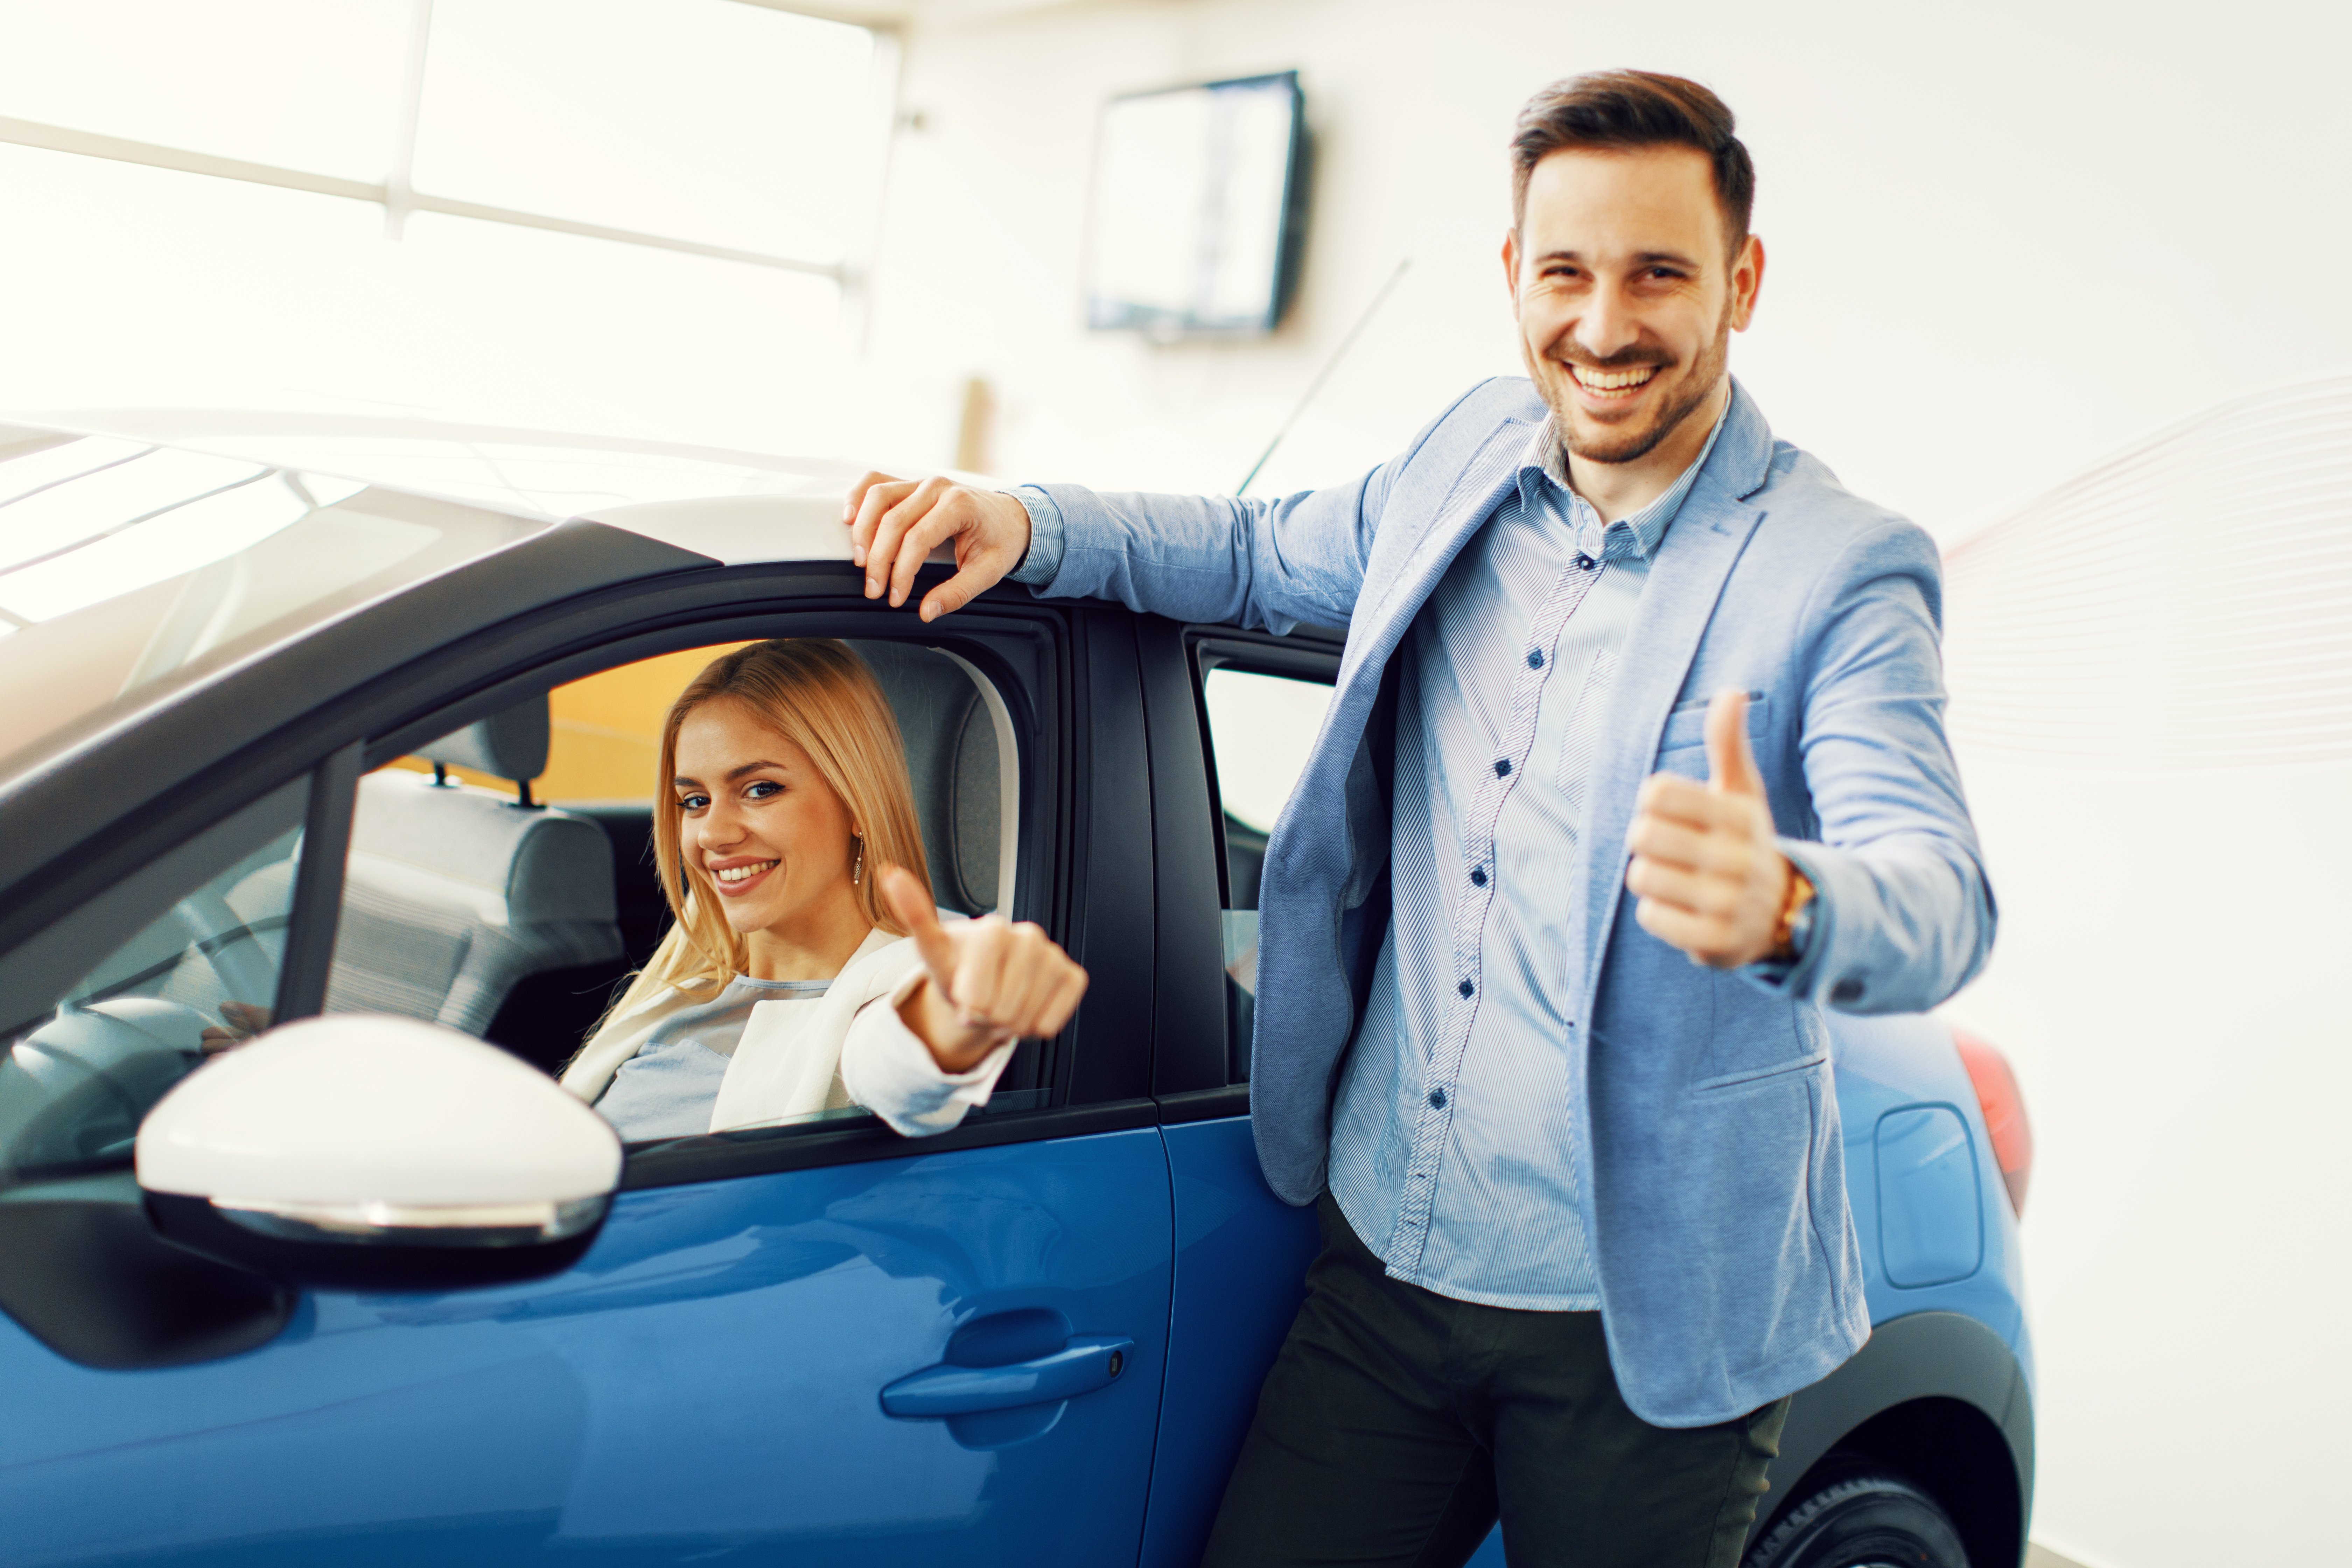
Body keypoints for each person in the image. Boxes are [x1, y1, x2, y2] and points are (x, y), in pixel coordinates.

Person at [843, 69, 1993, 1568]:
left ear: (1743, 281)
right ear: (1516, 274)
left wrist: (1790, 902)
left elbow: (1940, 892)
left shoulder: (1835, 567)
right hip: (1390, 1266)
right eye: (1567, 271)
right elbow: (1256, 556)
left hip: (1639, 1336)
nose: (1604, 324)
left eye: (1659, 273)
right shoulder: (1465, 451)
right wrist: (1032, 521)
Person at [559, 638, 1086, 1139]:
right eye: (695, 801)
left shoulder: (886, 987)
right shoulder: (695, 958)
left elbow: (895, 1067)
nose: (714, 834)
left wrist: (953, 1019)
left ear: (856, 802)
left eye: (761, 790)